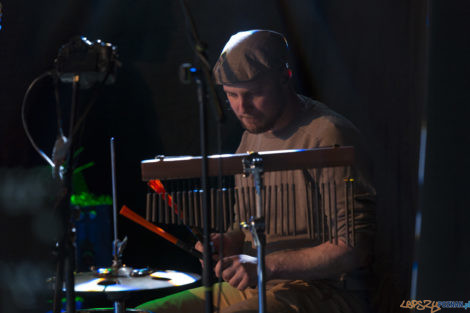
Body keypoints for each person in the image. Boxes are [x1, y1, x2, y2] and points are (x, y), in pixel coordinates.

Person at [137, 29, 376, 313]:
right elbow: (245, 224)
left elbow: (356, 246)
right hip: (261, 283)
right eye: (232, 95)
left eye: (253, 94)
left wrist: (266, 264)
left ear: (284, 78)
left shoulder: (328, 135)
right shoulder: (250, 136)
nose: (242, 107)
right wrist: (228, 241)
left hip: (324, 290)